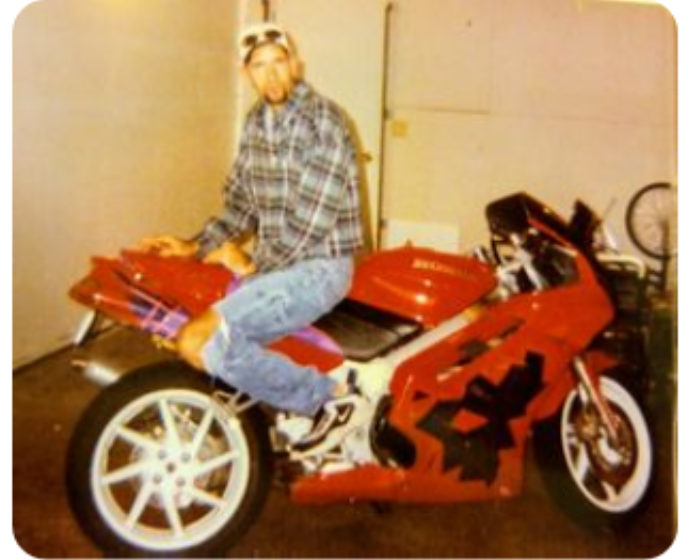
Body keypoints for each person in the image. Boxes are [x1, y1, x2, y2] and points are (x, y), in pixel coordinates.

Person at [140, 22, 370, 454]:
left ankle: (328, 400)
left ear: (295, 65)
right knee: (193, 328)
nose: (271, 75)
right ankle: (278, 411)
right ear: (246, 74)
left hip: (319, 270)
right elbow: (241, 205)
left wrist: (253, 267)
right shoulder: (254, 124)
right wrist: (195, 246)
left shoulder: (325, 121)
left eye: (278, 62)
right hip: (280, 268)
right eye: (259, 66)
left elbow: (310, 224)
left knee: (198, 338)